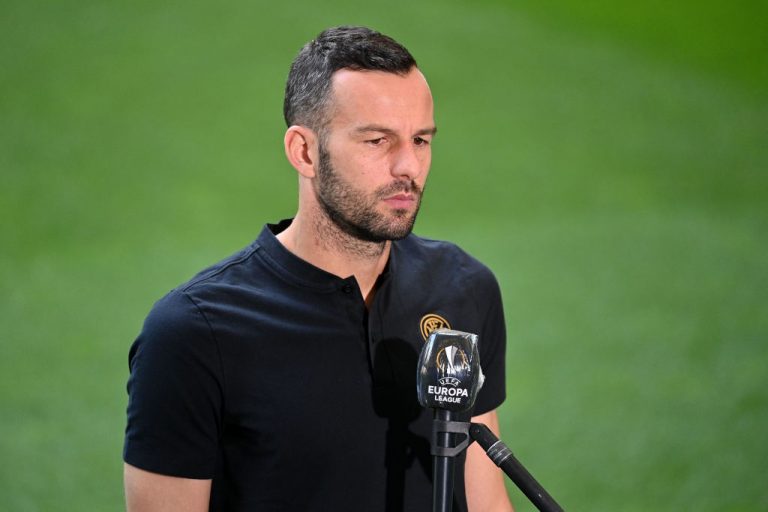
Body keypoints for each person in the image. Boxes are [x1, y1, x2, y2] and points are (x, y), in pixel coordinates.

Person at [123, 26, 513, 512]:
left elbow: (483, 498)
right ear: (304, 152)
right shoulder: (192, 335)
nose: (408, 167)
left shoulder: (463, 288)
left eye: (420, 140)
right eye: (377, 140)